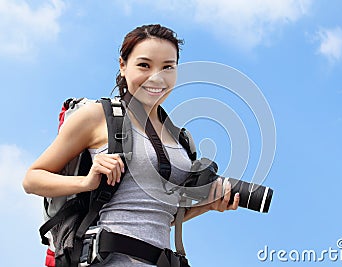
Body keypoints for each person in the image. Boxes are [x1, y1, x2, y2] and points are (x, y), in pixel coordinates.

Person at [23, 24, 240, 266]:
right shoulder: (97, 116)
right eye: (144, 65)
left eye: (168, 67)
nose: (156, 77)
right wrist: (86, 182)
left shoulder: (182, 139)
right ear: (123, 65)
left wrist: (207, 206)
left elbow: (158, 216)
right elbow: (32, 179)